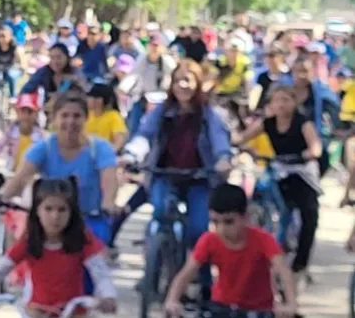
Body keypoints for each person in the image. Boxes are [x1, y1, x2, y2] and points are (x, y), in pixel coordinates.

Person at [122, 59, 232, 298]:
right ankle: (152, 272)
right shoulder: (161, 112)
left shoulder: (209, 114)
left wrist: (223, 159)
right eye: (178, 80)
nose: (183, 85)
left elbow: (219, 141)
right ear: (171, 84)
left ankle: (205, 284)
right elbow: (144, 136)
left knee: (198, 229)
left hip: (199, 178)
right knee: (159, 216)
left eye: (189, 80)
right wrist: (131, 154)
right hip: (165, 175)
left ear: (198, 84)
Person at [0, 178, 118, 315]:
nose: (55, 216)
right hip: (36, 311)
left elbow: (100, 272)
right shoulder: (30, 241)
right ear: (37, 211)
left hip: (72, 311)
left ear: (72, 213)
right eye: (48, 209)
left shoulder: (81, 240)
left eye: (62, 210)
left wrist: (108, 296)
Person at [0, 93, 119, 249]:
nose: (70, 121)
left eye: (77, 116)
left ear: (85, 119)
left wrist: (108, 203)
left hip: (89, 219)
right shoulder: (43, 149)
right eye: (65, 116)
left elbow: (109, 179)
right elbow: (21, 178)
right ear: (54, 119)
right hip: (51, 222)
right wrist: (4, 198)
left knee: (97, 257)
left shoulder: (100, 149)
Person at [164, 183, 297, 317]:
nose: (221, 229)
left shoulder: (264, 240)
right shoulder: (209, 240)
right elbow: (187, 273)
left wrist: (291, 305)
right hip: (221, 308)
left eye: (229, 222)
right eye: (215, 222)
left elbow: (283, 272)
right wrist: (172, 300)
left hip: (259, 310)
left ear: (246, 217)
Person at [235, 84, 323, 283]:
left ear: (294, 102)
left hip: (302, 174)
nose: (281, 104)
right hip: (278, 171)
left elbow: (315, 148)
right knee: (271, 205)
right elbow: (242, 138)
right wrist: (241, 146)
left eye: (286, 99)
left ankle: (300, 264)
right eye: (277, 100)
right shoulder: (267, 123)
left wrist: (305, 155)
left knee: (309, 215)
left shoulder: (303, 123)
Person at [0, 93, 45, 171]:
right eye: (23, 111)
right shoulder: (12, 130)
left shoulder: (40, 135)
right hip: (13, 169)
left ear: (36, 114)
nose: (26, 116)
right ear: (17, 112)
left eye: (30, 112)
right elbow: (0, 145)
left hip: (32, 172)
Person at [0, 26, 21, 112]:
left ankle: (13, 97)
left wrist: (22, 66)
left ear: (10, 36)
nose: (1, 39)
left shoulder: (14, 46)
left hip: (11, 68)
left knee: (11, 76)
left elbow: (21, 60)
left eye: (3, 36)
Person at [84, 83, 127, 149]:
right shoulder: (85, 114)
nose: (90, 99)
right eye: (90, 96)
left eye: (95, 97)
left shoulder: (113, 116)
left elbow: (118, 143)